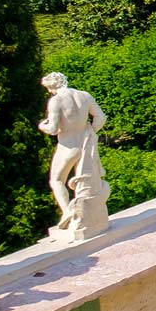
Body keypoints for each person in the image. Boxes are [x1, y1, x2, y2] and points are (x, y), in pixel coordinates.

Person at [39, 72, 110, 238]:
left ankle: (68, 212)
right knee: (88, 180)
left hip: (68, 146)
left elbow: (53, 129)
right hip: (85, 144)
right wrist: (90, 132)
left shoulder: (56, 101)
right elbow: (100, 117)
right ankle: (88, 215)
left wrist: (42, 126)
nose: (49, 92)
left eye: (49, 88)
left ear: (53, 85)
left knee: (56, 180)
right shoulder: (84, 95)